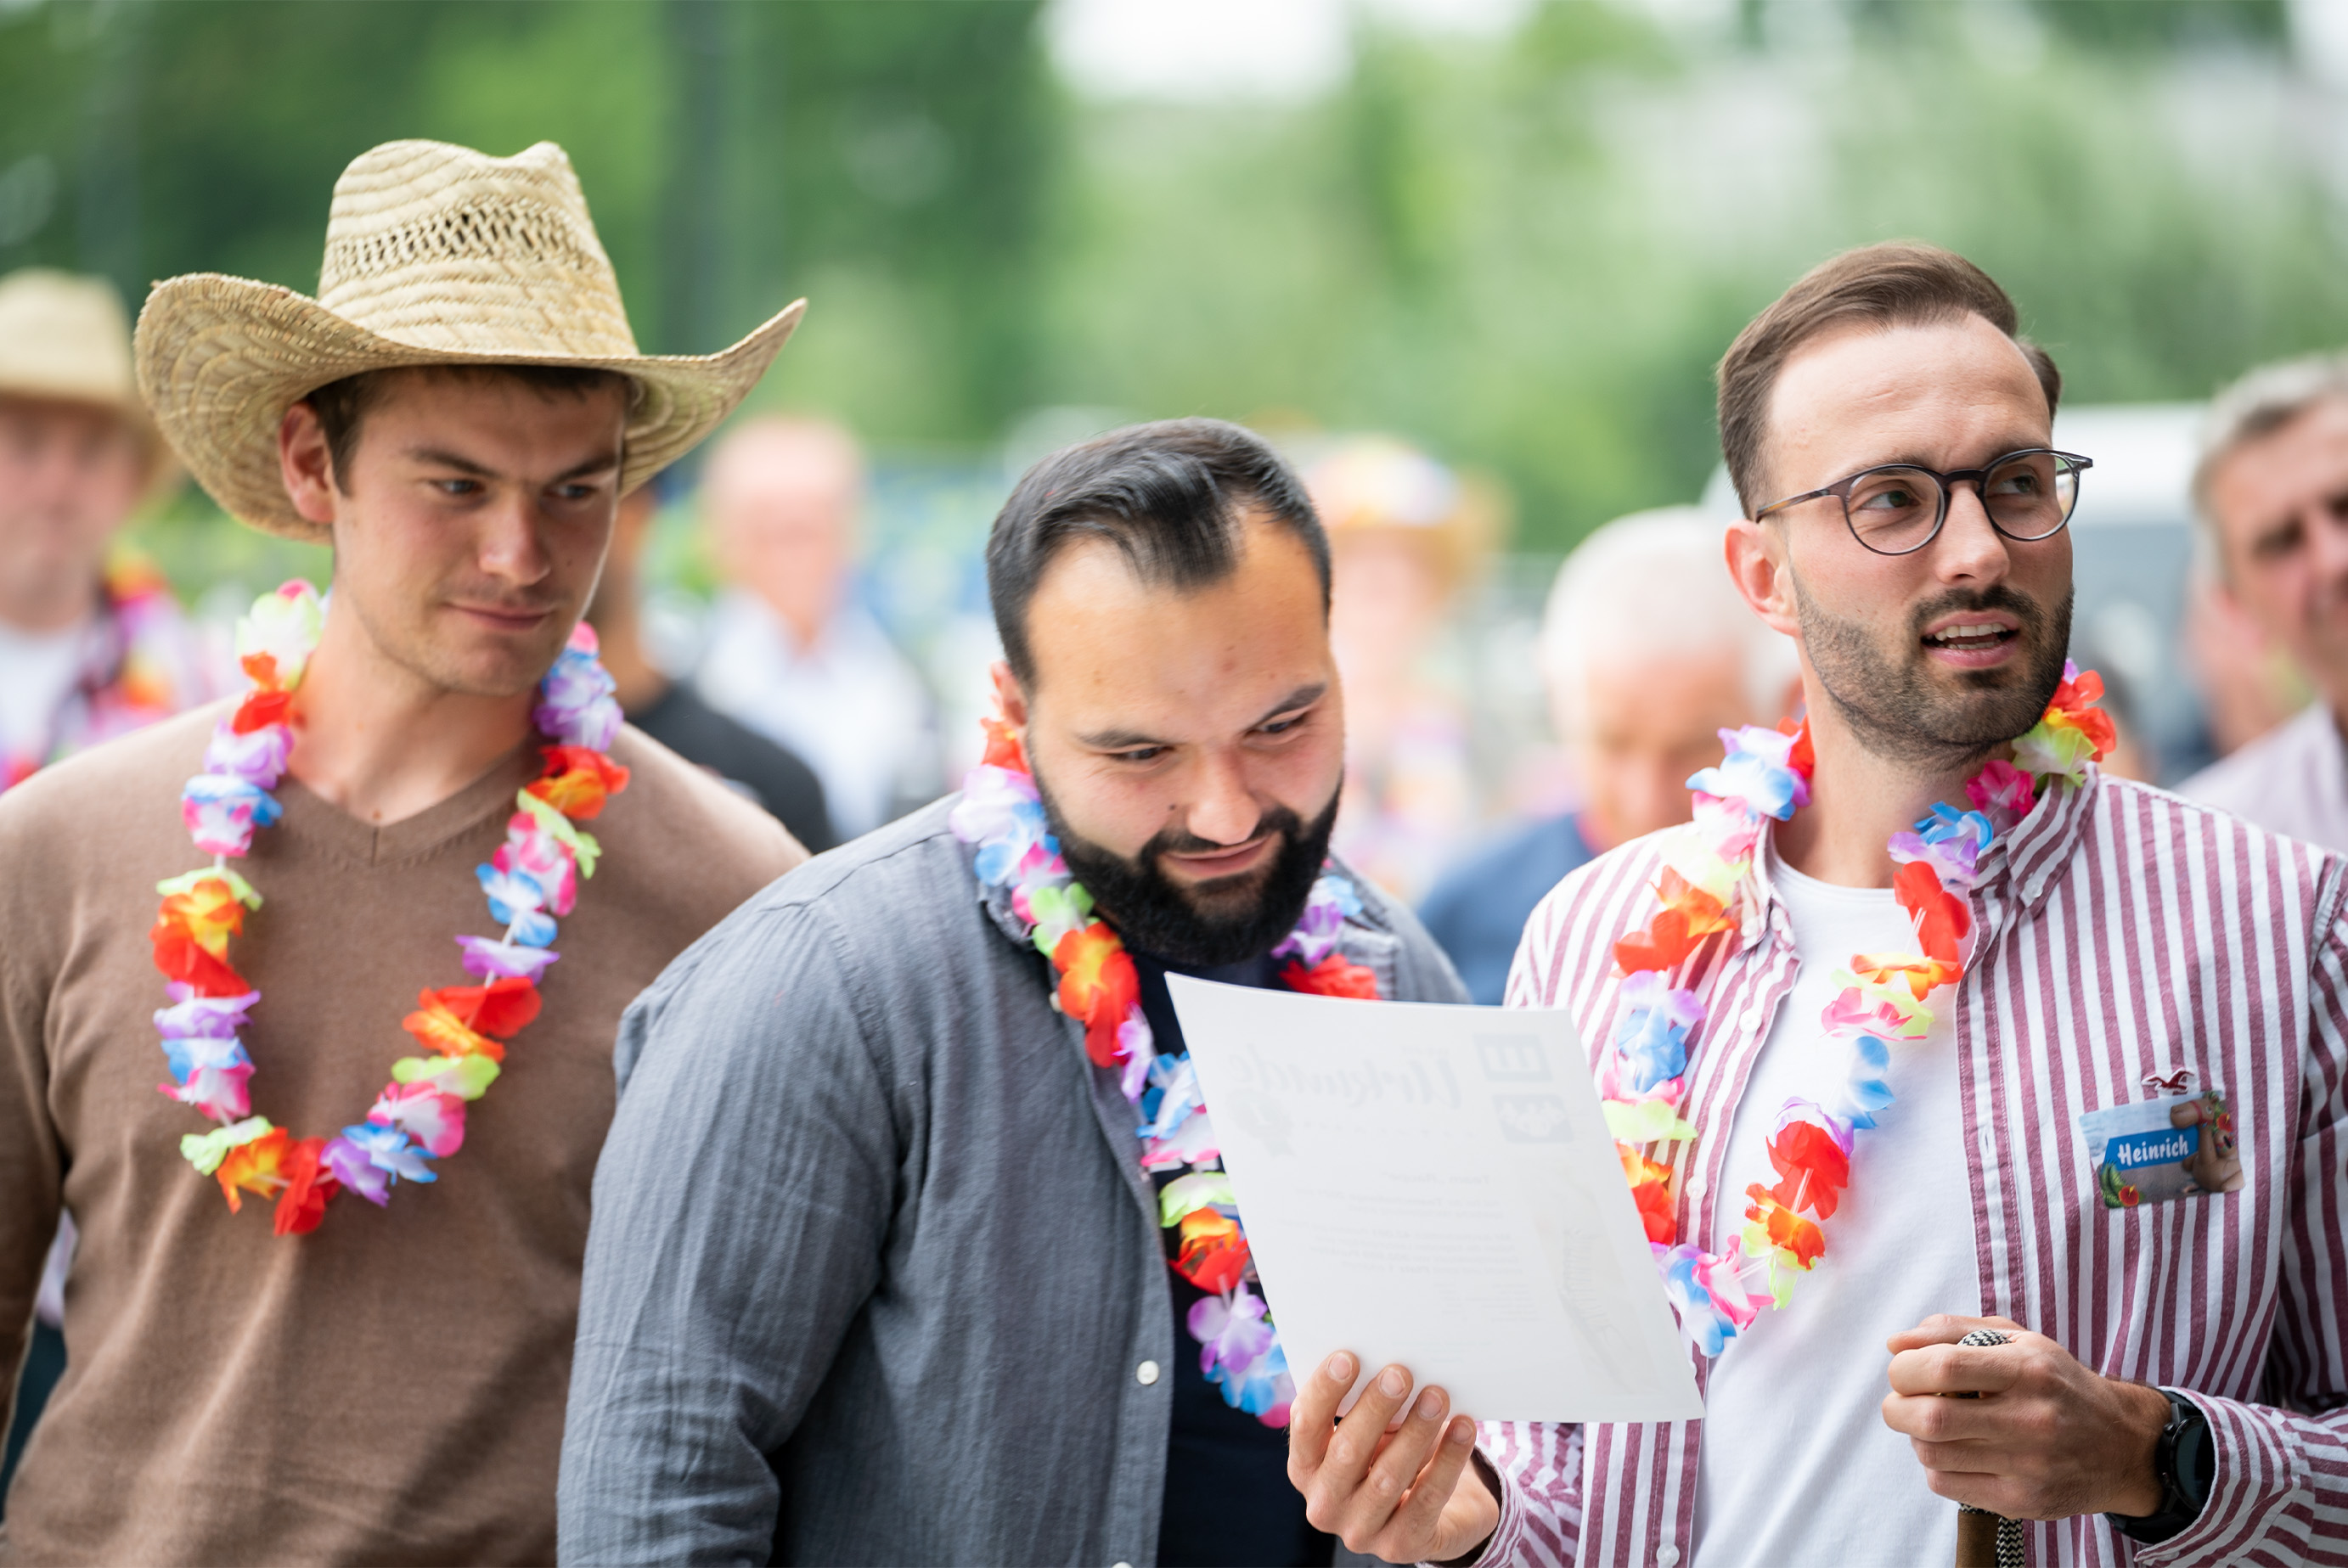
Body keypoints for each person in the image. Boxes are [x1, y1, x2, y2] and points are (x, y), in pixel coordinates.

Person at [1286, 243, 2348, 1566]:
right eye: (1892, 499)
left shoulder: (2277, 927)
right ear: (1762, 575)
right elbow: (1564, 1490)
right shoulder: (1592, 940)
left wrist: (2156, 1456)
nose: (1980, 549)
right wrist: (1467, 1525)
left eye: (2017, 482)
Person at [0, 138, 809, 1563]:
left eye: (576, 491)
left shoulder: (738, 898)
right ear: (314, 462)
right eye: (456, 484)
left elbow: (778, 1399)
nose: (521, 553)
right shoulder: (61, 846)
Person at [558, 419, 1469, 1567]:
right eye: (1140, 753)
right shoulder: (825, 988)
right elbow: (658, 1494)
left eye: (1280, 725)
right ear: (1014, 707)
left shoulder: (1396, 980)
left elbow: (1510, 1458)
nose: (1227, 810)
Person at [0, 265, 211, 1502]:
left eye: (89, 449)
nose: (56, 481)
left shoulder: (200, 691)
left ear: (131, 478)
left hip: (102, 1243)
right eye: (26, 442)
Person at [1418, 508, 1797, 1003]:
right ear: (1556, 701)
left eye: (1692, 749)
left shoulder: (1828, 900)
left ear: (1788, 705)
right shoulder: (1465, 916)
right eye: (1612, 743)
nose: (1646, 799)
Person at [695, 414, 941, 839]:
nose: (795, 552)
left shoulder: (902, 684)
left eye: (814, 524)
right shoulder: (687, 680)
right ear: (719, 537)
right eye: (768, 527)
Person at [587, 479, 835, 851]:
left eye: (570, 493)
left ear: (635, 513)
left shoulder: (769, 782)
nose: (516, 550)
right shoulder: (491, 761)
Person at [1309, 436, 1498, 904]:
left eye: (1405, 559)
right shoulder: (1282, 714)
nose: (1381, 578)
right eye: (1359, 556)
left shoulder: (1473, 723)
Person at [2176, 353, 2348, 848]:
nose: (2333, 559)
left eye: (2345, 505)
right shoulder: (2222, 847)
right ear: (2236, 606)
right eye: (2281, 541)